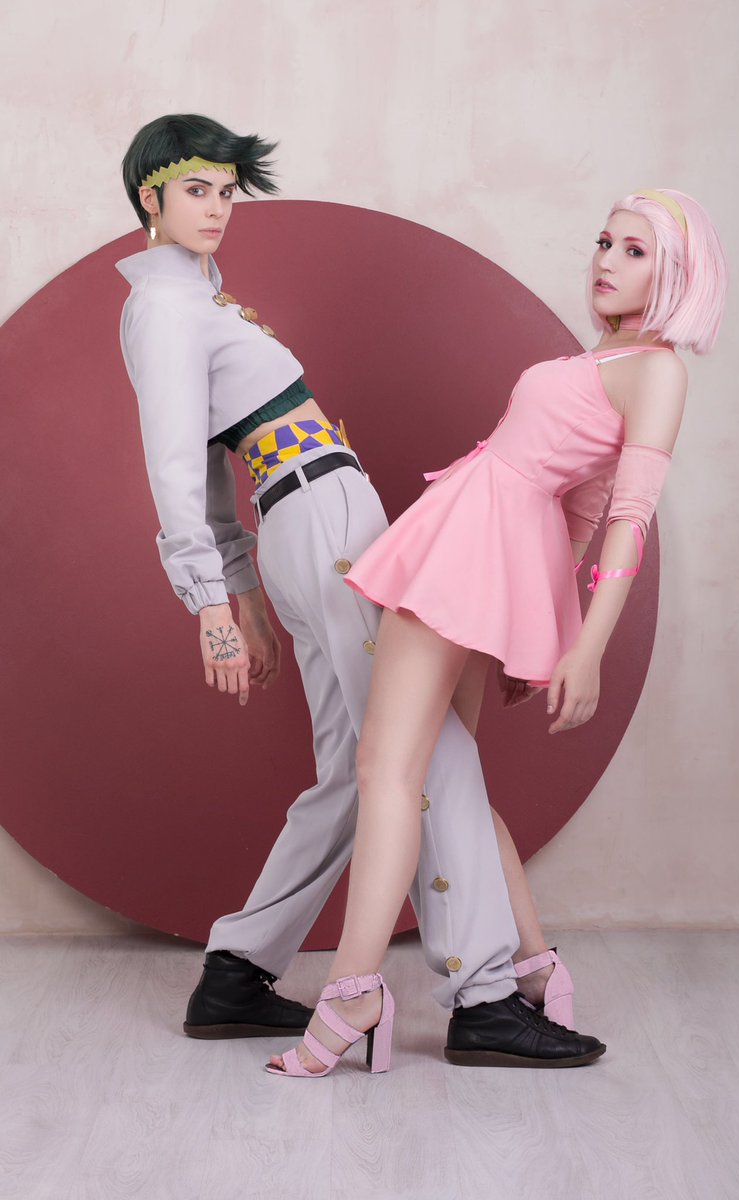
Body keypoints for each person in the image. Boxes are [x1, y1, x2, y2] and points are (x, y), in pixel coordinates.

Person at [117, 113, 605, 1071]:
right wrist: (212, 606)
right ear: (150, 196)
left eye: (225, 191)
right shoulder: (165, 308)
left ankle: (236, 970)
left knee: (358, 769)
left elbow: (212, 469)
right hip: (321, 519)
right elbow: (177, 467)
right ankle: (484, 994)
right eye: (195, 190)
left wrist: (247, 596)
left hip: (307, 522)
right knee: (426, 746)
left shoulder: (196, 299)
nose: (216, 209)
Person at [266, 188, 728, 1077]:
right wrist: (537, 622)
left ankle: (353, 993)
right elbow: (581, 508)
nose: (605, 261)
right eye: (604, 241)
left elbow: (626, 516)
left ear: (676, 274)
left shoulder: (656, 370)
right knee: (446, 780)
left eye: (634, 251)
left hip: (473, 547)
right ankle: (530, 968)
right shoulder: (611, 355)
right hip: (488, 548)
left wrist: (581, 644)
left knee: (388, 771)